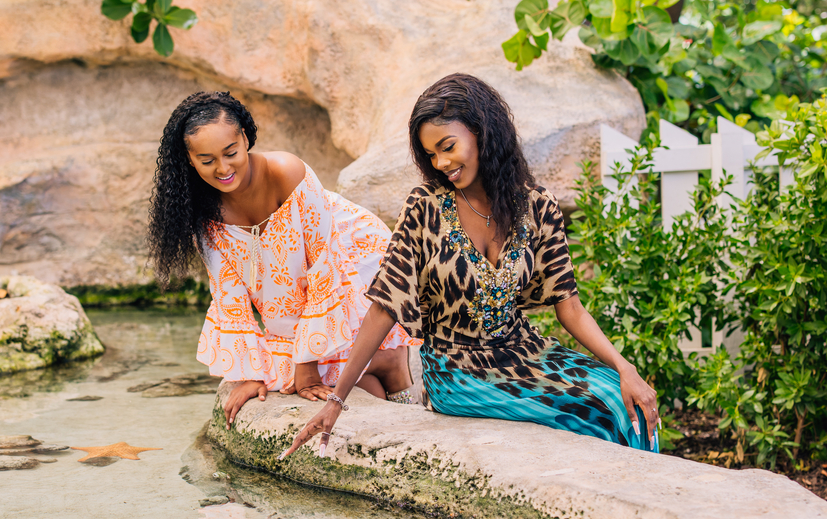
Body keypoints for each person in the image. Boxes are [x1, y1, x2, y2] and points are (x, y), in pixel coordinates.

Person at [282, 73, 660, 459]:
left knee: (619, 397)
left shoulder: (537, 206)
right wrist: (337, 401)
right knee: (598, 410)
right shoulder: (425, 207)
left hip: (523, 352)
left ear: (482, 131)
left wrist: (623, 366)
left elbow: (571, 307)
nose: (441, 163)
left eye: (448, 146)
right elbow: (384, 306)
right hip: (456, 369)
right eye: (431, 154)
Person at [148, 91, 417, 426]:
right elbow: (229, 295)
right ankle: (370, 383)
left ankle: (393, 366)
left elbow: (323, 267)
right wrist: (250, 373)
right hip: (286, 289)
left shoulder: (287, 172)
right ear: (190, 160)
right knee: (301, 376)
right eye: (207, 160)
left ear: (244, 138)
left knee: (320, 369)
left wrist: (306, 365)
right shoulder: (202, 211)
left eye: (231, 152)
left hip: (350, 259)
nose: (223, 168)